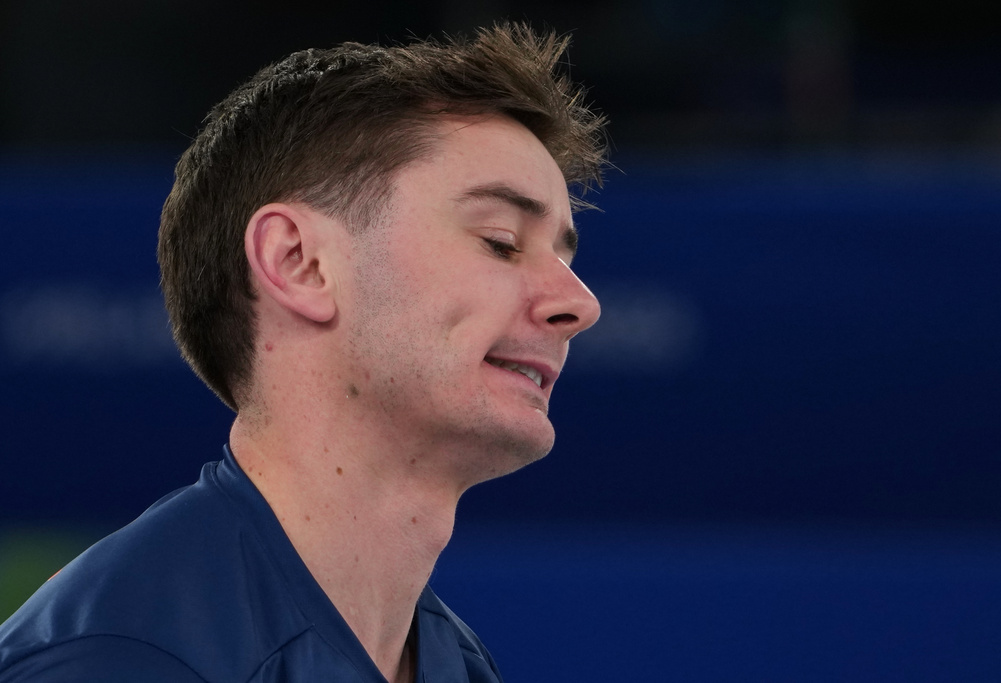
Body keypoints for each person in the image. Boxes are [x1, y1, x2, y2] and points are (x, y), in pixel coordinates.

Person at [0, 23, 606, 683]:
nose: (579, 303)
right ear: (299, 263)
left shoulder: (457, 661)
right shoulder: (119, 658)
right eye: (500, 239)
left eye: (564, 255)